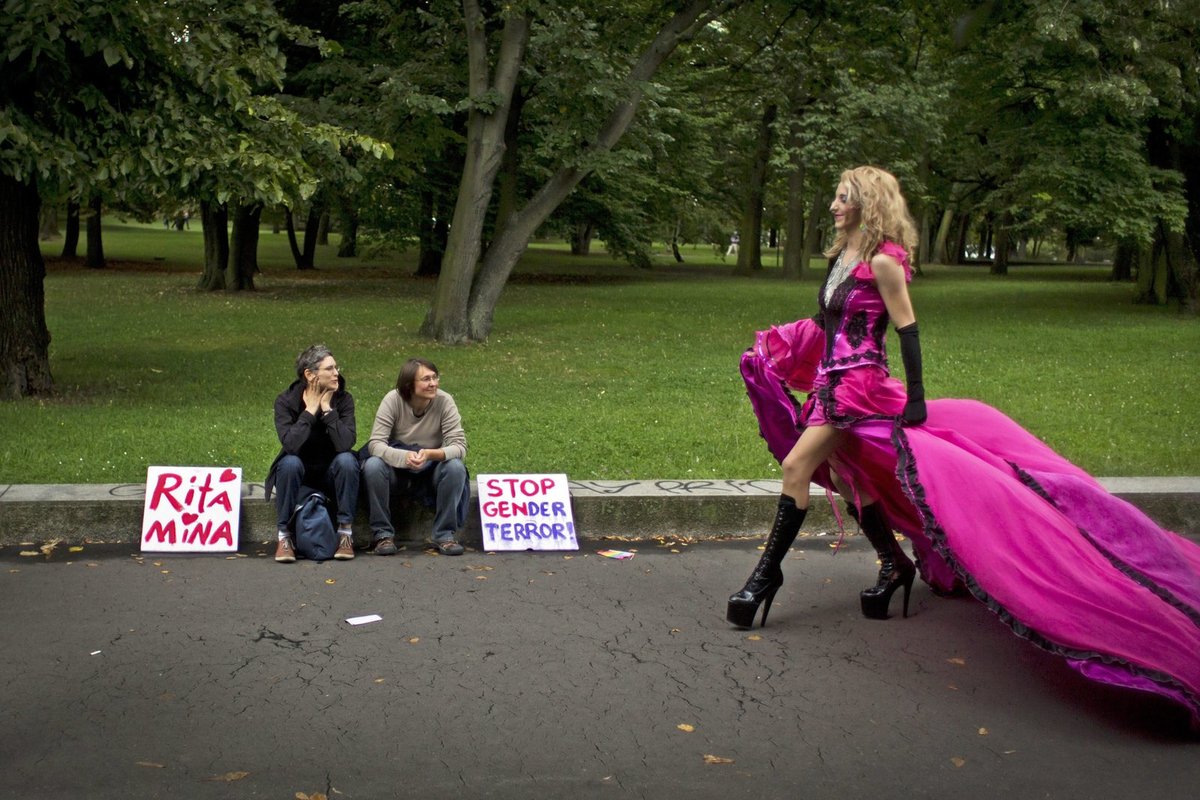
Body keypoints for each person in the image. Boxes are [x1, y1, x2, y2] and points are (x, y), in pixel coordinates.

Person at [733, 165, 1200, 730]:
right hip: (833, 379)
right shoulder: (840, 257)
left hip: (858, 385)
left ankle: (766, 577)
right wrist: (784, 343)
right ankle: (893, 566)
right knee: (856, 477)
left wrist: (919, 400)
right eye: (834, 197)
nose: (832, 205)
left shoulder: (883, 261)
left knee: (795, 466)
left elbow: (907, 329)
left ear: (867, 203)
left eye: (843, 198)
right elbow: (824, 319)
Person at [361, 358, 470, 556]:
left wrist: (430, 454)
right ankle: (383, 534)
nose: (433, 383)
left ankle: (444, 535)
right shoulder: (392, 400)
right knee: (373, 465)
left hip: (431, 469)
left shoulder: (445, 401)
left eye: (435, 377)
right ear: (409, 384)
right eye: (426, 379)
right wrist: (405, 457)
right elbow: (375, 444)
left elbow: (460, 446)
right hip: (397, 468)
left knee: (455, 467)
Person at [264, 344, 359, 562]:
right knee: (289, 463)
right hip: (299, 475)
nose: (337, 373)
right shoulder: (286, 401)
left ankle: (345, 534)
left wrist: (327, 410)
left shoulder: (343, 400)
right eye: (330, 368)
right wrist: (309, 411)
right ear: (309, 374)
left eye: (336, 367)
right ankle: (284, 537)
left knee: (346, 460)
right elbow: (290, 445)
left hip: (331, 474)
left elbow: (345, 444)